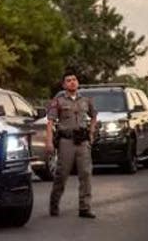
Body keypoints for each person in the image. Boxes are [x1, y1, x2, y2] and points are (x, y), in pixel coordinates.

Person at [46, 71, 97, 218]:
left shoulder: (86, 99)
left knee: (85, 173)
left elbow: (94, 115)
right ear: (64, 84)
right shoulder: (59, 100)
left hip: (82, 141)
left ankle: (85, 207)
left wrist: (91, 132)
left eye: (74, 80)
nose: (72, 82)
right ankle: (54, 204)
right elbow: (50, 121)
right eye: (68, 80)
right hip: (66, 141)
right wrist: (49, 141)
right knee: (62, 174)